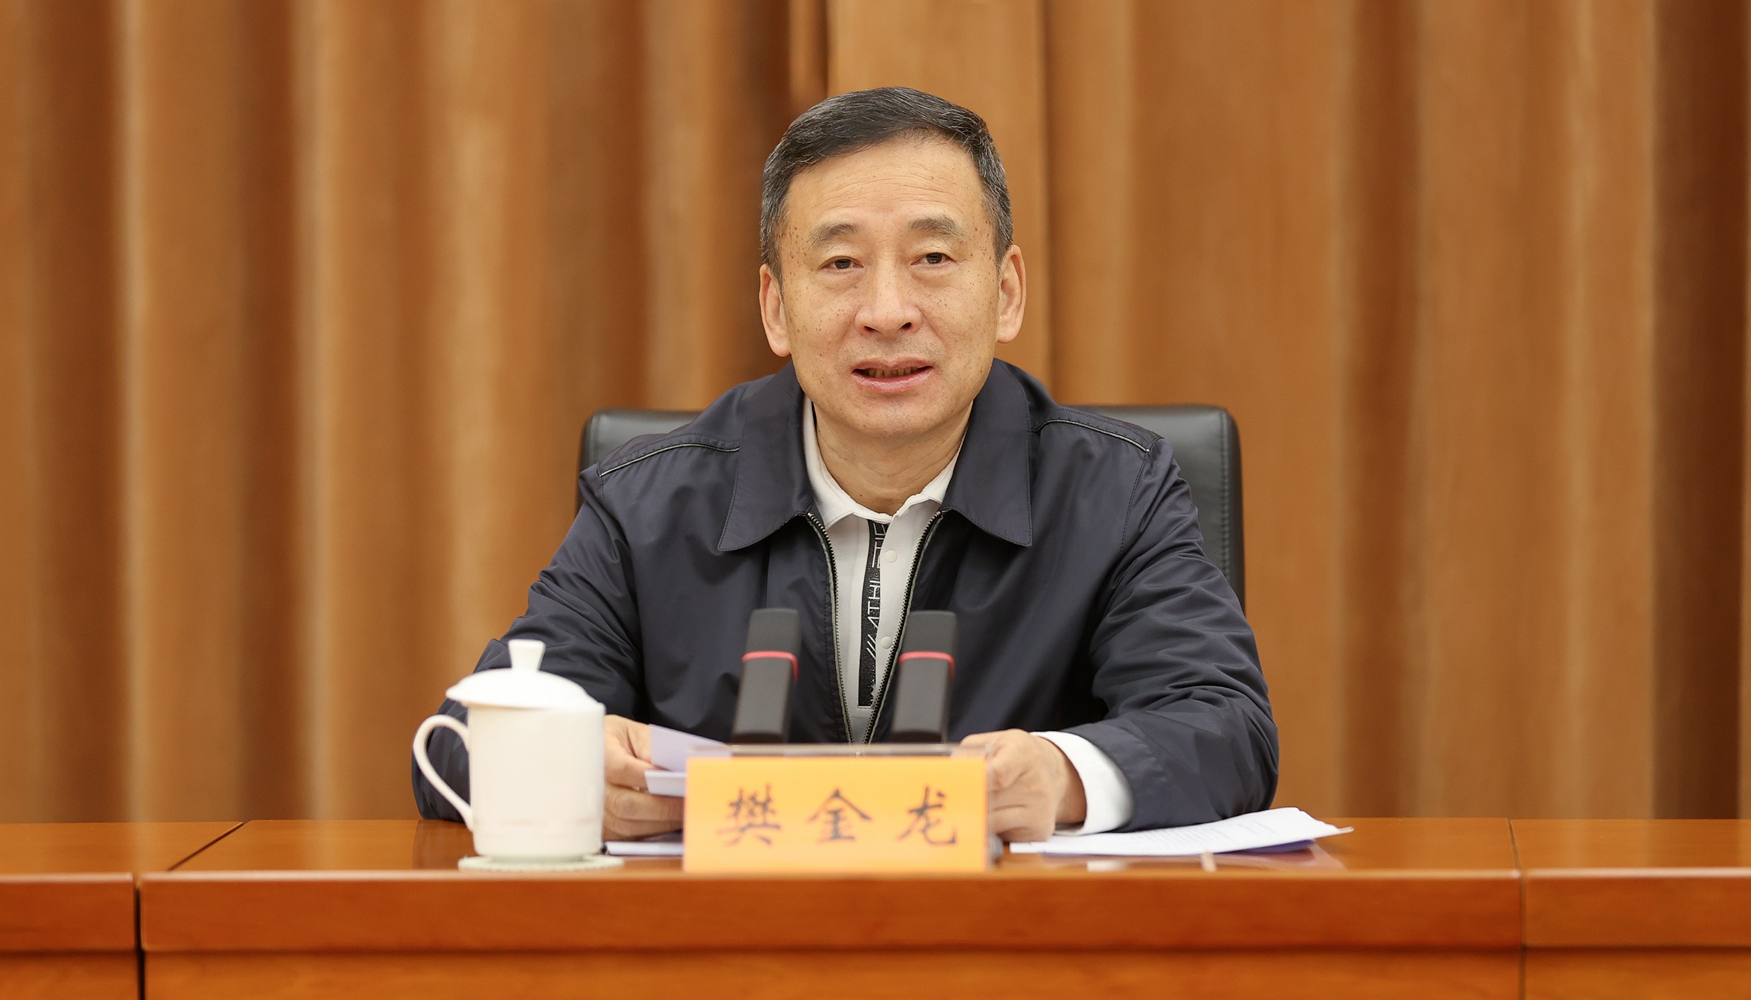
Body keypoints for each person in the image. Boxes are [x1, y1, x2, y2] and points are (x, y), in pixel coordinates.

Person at [414, 87, 1277, 840]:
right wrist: (565, 765)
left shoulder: (1115, 491)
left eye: (932, 258)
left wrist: (1061, 775)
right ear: (775, 307)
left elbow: (1227, 726)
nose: (887, 310)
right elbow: (454, 742)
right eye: (840, 263)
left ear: (1006, 291)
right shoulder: (647, 503)